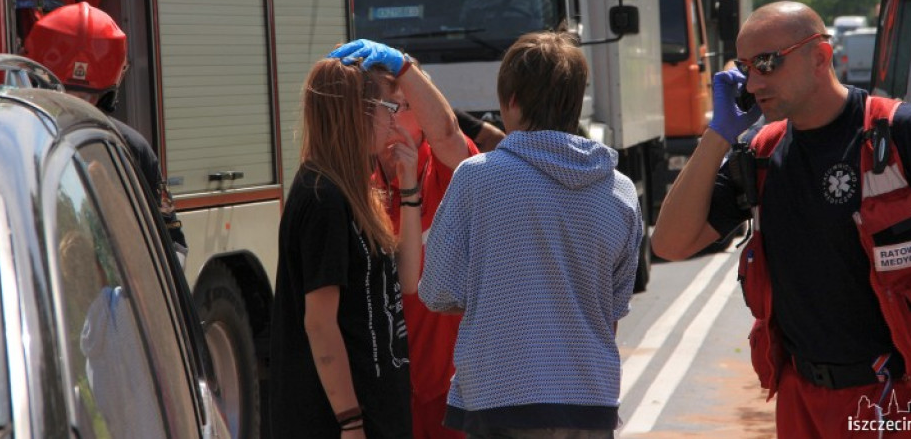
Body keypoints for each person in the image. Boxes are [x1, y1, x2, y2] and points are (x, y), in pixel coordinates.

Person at [651, 0, 911, 438]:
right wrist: (718, 135)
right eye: (745, 68)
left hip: (900, 396)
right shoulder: (762, 153)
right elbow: (669, 244)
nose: (754, 81)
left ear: (820, 57)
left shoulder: (906, 134)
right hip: (802, 400)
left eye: (766, 63)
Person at [419, 30, 642, 437]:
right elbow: (613, 305)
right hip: (590, 403)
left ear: (511, 101)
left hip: (500, 399)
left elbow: (437, 290)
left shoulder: (477, 178)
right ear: (576, 101)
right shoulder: (620, 189)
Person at [329, 41, 478, 439]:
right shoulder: (358, 179)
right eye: (388, 109)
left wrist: (406, 68)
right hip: (385, 384)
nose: (395, 122)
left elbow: (447, 132)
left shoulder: (444, 169)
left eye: (407, 107)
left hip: (451, 386)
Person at [268, 57, 423, 439]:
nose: (394, 122)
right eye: (390, 109)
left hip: (379, 405)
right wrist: (350, 421)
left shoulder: (354, 189)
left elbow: (406, 281)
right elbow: (319, 323)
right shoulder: (323, 197)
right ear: (357, 113)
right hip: (339, 419)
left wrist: (409, 192)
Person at [24, 2, 187, 259]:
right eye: (67, 96)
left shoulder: (130, 148)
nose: (74, 108)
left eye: (84, 97)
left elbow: (172, 251)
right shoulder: (129, 147)